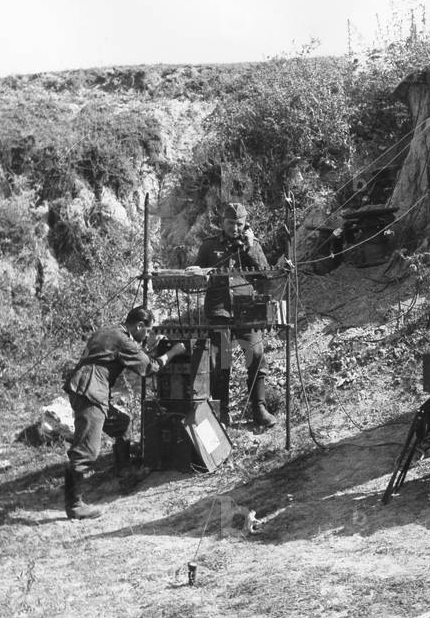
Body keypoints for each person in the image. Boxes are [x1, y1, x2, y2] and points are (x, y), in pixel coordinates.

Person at [62, 306, 186, 520]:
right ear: (138, 326)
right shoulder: (124, 340)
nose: (147, 335)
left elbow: (128, 356)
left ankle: (124, 473)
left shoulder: (108, 332)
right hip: (92, 391)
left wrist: (146, 349)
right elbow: (149, 369)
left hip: (82, 386)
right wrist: (174, 352)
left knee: (122, 424)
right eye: (146, 331)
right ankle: (74, 505)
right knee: (87, 450)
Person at [193, 202, 276, 426]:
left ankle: (259, 409)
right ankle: (222, 412)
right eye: (231, 223)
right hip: (219, 310)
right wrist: (198, 273)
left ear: (245, 224)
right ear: (223, 223)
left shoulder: (252, 244)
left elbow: (266, 276)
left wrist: (250, 248)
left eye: (239, 224)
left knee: (256, 355)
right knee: (222, 362)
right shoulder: (209, 247)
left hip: (247, 311)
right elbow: (196, 275)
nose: (235, 228)